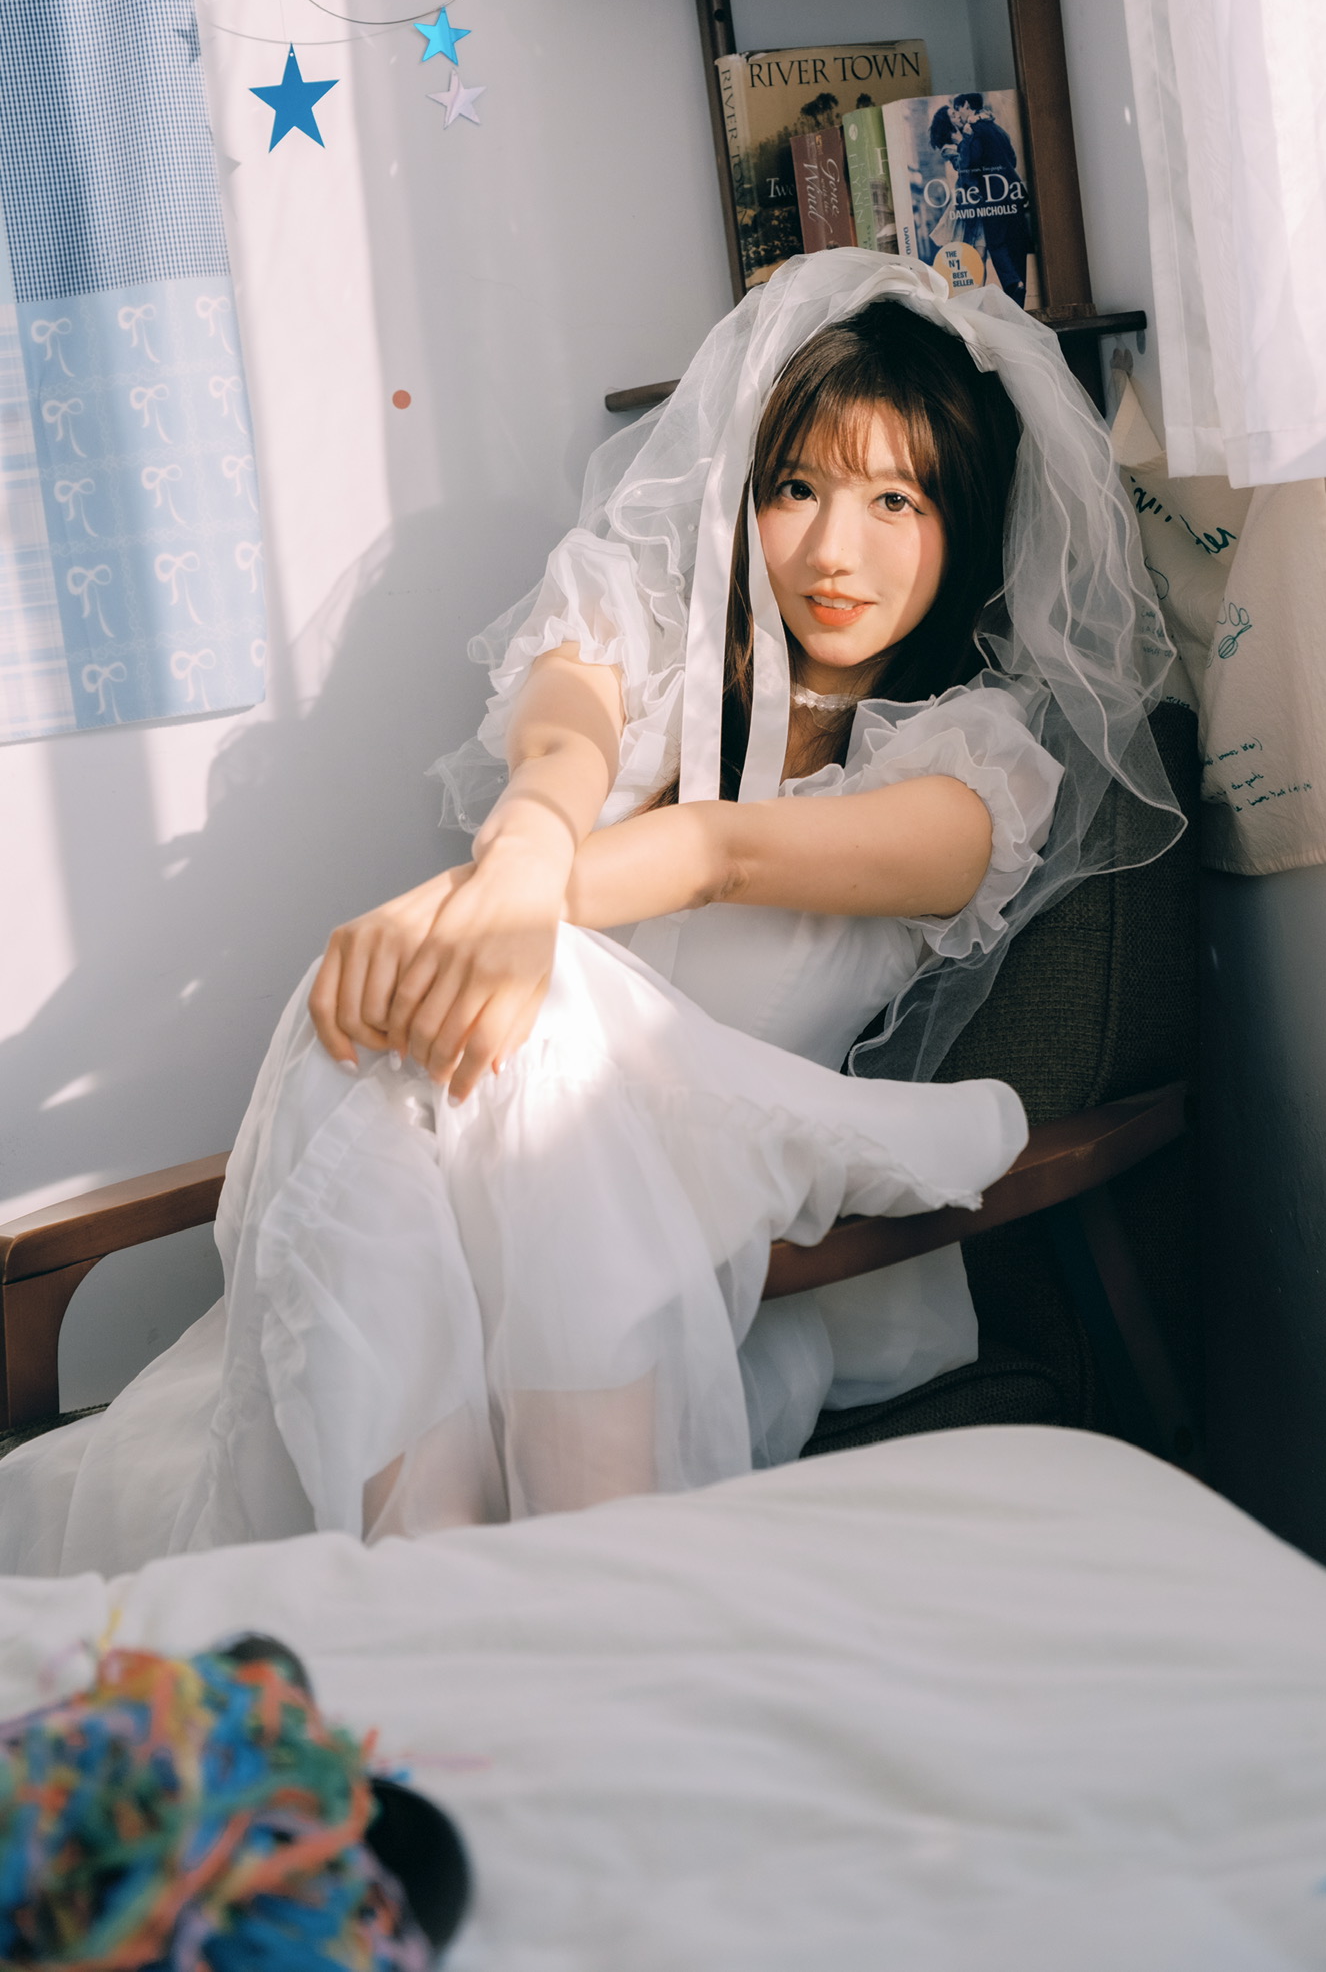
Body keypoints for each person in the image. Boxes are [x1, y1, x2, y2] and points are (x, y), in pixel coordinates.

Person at [0, 252, 1179, 1576]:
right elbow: (560, 750)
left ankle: (433, 1564)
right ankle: (458, 1575)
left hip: (721, 1238)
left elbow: (721, 852)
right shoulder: (649, 642)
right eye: (796, 487)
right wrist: (511, 865)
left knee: (532, 992)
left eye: (894, 499)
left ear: (962, 523)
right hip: (467, 1222)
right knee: (423, 1037)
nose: (833, 549)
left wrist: (479, 904)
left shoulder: (975, 770)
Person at [951, 95, 1032, 306]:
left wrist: (965, 140)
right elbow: (1012, 158)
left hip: (993, 194)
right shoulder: (998, 129)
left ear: (966, 106)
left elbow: (970, 163)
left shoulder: (973, 130)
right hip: (1013, 191)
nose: (958, 114)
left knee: (996, 243)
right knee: (1016, 245)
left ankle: (1013, 282)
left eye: (958, 109)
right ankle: (1018, 296)